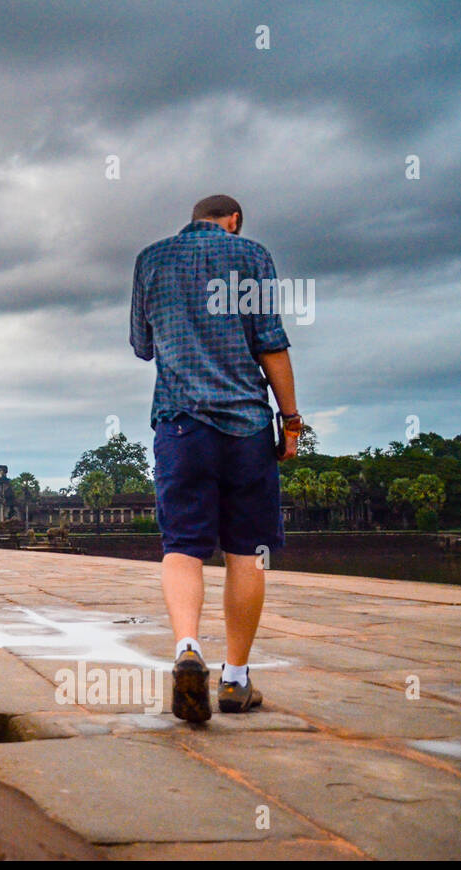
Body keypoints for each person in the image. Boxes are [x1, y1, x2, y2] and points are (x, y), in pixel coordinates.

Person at [131, 194, 301, 723]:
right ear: (233, 221)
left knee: (182, 547)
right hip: (246, 424)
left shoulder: (150, 260)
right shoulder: (251, 255)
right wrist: (290, 419)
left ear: (193, 219)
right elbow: (270, 344)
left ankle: (187, 648)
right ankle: (235, 679)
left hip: (181, 423)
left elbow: (142, 344)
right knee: (245, 553)